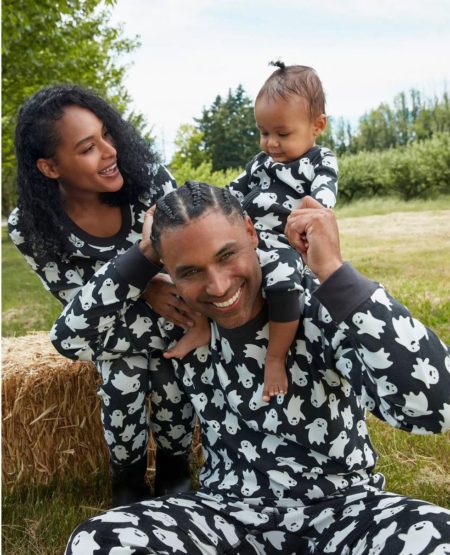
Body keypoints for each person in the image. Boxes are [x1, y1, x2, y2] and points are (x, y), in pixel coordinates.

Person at [63, 182, 450, 554]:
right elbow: (70, 337)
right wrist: (145, 254)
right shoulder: (180, 321)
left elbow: (436, 409)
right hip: (225, 515)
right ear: (169, 270)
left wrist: (335, 273)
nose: (217, 286)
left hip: (343, 510)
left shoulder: (315, 307)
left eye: (226, 255)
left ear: (251, 232)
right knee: (97, 541)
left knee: (438, 535)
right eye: (190, 271)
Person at [7, 85, 196, 506]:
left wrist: (143, 289)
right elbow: (78, 314)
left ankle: (173, 468)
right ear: (50, 167)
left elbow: (190, 257)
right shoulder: (31, 225)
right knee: (122, 365)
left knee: (158, 368)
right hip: (105, 329)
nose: (110, 151)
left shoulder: (149, 179)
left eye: (106, 135)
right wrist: (145, 272)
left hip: (170, 317)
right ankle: (127, 479)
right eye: (88, 147)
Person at [166, 61, 338, 403]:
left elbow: (322, 203)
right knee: (202, 272)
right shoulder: (260, 164)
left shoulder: (321, 161)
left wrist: (310, 226)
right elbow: (229, 192)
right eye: (263, 132)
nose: (271, 143)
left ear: (317, 125)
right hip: (243, 239)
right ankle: (200, 327)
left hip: (284, 243)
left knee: (286, 284)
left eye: (282, 133)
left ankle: (275, 358)